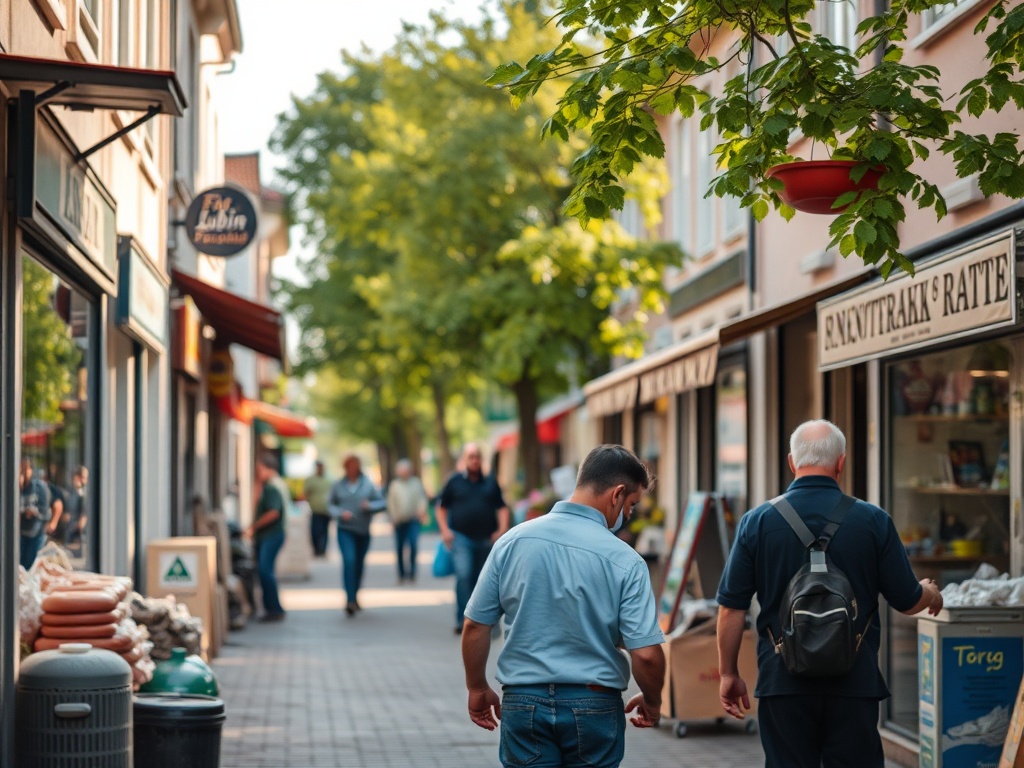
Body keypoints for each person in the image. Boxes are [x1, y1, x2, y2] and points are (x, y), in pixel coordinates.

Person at [716, 419, 945, 768]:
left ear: (792, 462)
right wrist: (930, 593)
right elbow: (908, 600)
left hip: (783, 681)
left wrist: (728, 673)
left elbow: (731, 608)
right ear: (841, 463)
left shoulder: (757, 522)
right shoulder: (873, 520)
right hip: (855, 682)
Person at [461, 444, 665, 768]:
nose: (628, 515)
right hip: (594, 703)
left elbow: (475, 625)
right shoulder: (626, 561)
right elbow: (648, 655)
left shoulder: (512, 542)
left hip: (523, 701)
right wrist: (653, 701)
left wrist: (476, 687)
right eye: (631, 505)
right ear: (617, 494)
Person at [436, 443, 510, 634]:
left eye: (477, 456)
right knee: (464, 575)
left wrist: (502, 529)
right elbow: (441, 507)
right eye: (471, 457)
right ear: (464, 460)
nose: (474, 460)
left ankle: (484, 621)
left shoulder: (490, 482)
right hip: (461, 538)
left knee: (484, 581)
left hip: (486, 539)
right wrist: (445, 530)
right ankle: (462, 619)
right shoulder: (454, 482)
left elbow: (501, 507)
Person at [328, 455, 386, 616]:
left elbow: (382, 503)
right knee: (349, 560)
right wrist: (340, 513)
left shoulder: (368, 484)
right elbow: (330, 505)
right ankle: (350, 600)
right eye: (349, 466)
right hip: (345, 529)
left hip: (363, 531)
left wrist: (370, 506)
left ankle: (355, 594)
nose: (352, 469)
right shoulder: (338, 485)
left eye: (354, 465)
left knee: (359, 564)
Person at [246, 453, 289, 622]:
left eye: (259, 470)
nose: (257, 473)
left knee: (265, 571)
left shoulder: (272, 487)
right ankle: (272, 607)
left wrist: (254, 527)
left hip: (271, 534)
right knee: (266, 570)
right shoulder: (275, 484)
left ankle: (273, 608)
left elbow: (273, 512)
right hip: (273, 534)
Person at [386, 459, 429, 583]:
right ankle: (401, 573)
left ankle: (412, 572)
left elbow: (422, 499)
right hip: (399, 521)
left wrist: (421, 510)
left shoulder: (416, 483)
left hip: (413, 519)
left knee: (413, 545)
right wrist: (393, 517)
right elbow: (391, 503)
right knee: (399, 547)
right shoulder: (394, 485)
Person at [19, 458, 51, 570]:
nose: (23, 471)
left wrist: (33, 513)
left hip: (36, 531)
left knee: (31, 565)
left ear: (31, 470)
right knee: (20, 565)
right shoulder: (17, 487)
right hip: (21, 532)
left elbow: (46, 509)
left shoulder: (39, 487)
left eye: (26, 468)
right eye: (20, 468)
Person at [304, 461, 333, 557]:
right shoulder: (311, 480)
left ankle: (322, 550)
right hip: (315, 510)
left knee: (324, 531)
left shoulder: (329, 480)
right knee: (315, 531)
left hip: (326, 510)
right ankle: (316, 549)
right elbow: (306, 493)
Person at [64, 465, 89, 556]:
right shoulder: (71, 492)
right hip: (73, 531)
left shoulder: (87, 493)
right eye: (83, 478)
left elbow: (85, 512)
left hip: (82, 533)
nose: (85, 480)